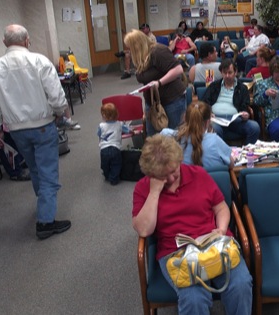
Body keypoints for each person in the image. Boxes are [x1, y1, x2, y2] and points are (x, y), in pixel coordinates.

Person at [132, 134, 253, 315]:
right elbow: (144, 229)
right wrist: (155, 192)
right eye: (163, 176)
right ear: (152, 174)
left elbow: (221, 208)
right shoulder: (143, 188)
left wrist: (221, 229)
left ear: (180, 160)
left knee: (241, 284)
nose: (171, 179)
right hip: (176, 251)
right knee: (194, 299)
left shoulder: (198, 175)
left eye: (174, 172)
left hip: (213, 241)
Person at [0, 24, 71, 239]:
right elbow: (55, 94)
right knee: (48, 174)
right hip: (42, 126)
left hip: (16, 131)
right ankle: (45, 223)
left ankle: (43, 206)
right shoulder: (39, 61)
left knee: (34, 169)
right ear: (27, 41)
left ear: (5, 43)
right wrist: (62, 112)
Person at [124, 29, 186, 136]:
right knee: (153, 139)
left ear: (137, 45)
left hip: (172, 100)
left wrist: (159, 82)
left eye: (130, 48)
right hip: (153, 103)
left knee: (174, 137)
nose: (128, 51)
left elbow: (178, 70)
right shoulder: (141, 57)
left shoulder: (158, 51)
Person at [201, 59, 260, 145]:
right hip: (216, 119)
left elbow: (245, 105)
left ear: (235, 73)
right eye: (225, 73)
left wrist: (245, 114)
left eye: (230, 72)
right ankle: (221, 154)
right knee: (214, 128)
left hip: (235, 120)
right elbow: (204, 102)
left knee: (254, 127)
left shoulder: (242, 88)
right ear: (221, 73)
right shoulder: (214, 85)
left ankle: (247, 152)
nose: (227, 76)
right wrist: (208, 112)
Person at [161, 102, 233, 169]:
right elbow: (231, 165)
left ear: (185, 118)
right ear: (207, 122)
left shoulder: (167, 135)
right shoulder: (215, 141)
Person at [98, 103, 131, 185]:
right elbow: (127, 130)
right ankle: (114, 179)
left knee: (104, 164)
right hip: (115, 148)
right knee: (116, 164)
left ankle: (107, 175)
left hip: (104, 149)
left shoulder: (101, 125)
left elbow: (99, 134)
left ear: (104, 115)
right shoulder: (119, 124)